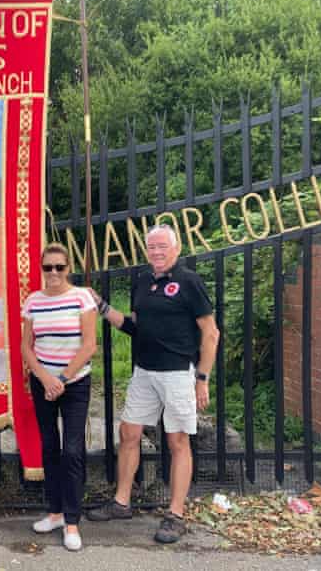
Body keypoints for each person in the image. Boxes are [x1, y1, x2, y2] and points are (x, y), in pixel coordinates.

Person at [86, 224, 219, 544]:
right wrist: (102, 307)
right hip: (144, 372)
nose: (157, 252)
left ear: (176, 248)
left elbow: (210, 333)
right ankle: (121, 503)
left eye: (163, 246)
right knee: (128, 433)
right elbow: (134, 326)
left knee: (177, 442)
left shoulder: (189, 282)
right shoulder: (142, 281)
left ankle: (175, 515)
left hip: (177, 374)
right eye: (152, 247)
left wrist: (202, 378)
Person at [21, 243, 97, 552]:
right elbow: (27, 345)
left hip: (74, 383)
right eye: (47, 267)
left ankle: (72, 522)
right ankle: (54, 512)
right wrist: (45, 378)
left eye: (59, 267)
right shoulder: (34, 301)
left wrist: (62, 379)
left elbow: (90, 344)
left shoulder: (81, 297)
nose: (53, 273)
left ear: (68, 269)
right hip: (44, 383)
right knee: (49, 447)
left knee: (72, 451)